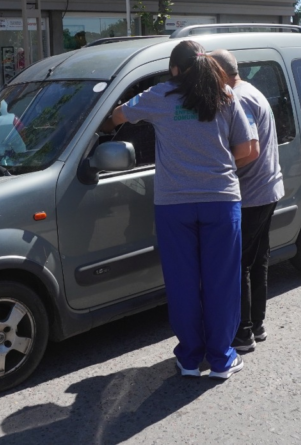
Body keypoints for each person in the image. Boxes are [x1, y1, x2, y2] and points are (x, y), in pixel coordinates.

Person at [105, 40, 255, 380]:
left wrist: (104, 127)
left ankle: (189, 359)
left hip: (174, 206)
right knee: (222, 283)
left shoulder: (159, 95)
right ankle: (221, 359)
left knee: (183, 283)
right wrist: (214, 166)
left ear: (174, 69)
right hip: (221, 201)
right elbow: (246, 149)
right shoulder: (225, 96)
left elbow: (116, 117)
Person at [208, 49, 284, 353]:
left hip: (251, 195)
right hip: (266, 190)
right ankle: (257, 324)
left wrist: (218, 170)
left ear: (221, 73)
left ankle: (242, 334)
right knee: (257, 261)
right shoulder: (251, 91)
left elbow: (248, 149)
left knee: (238, 265)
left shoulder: (237, 98)